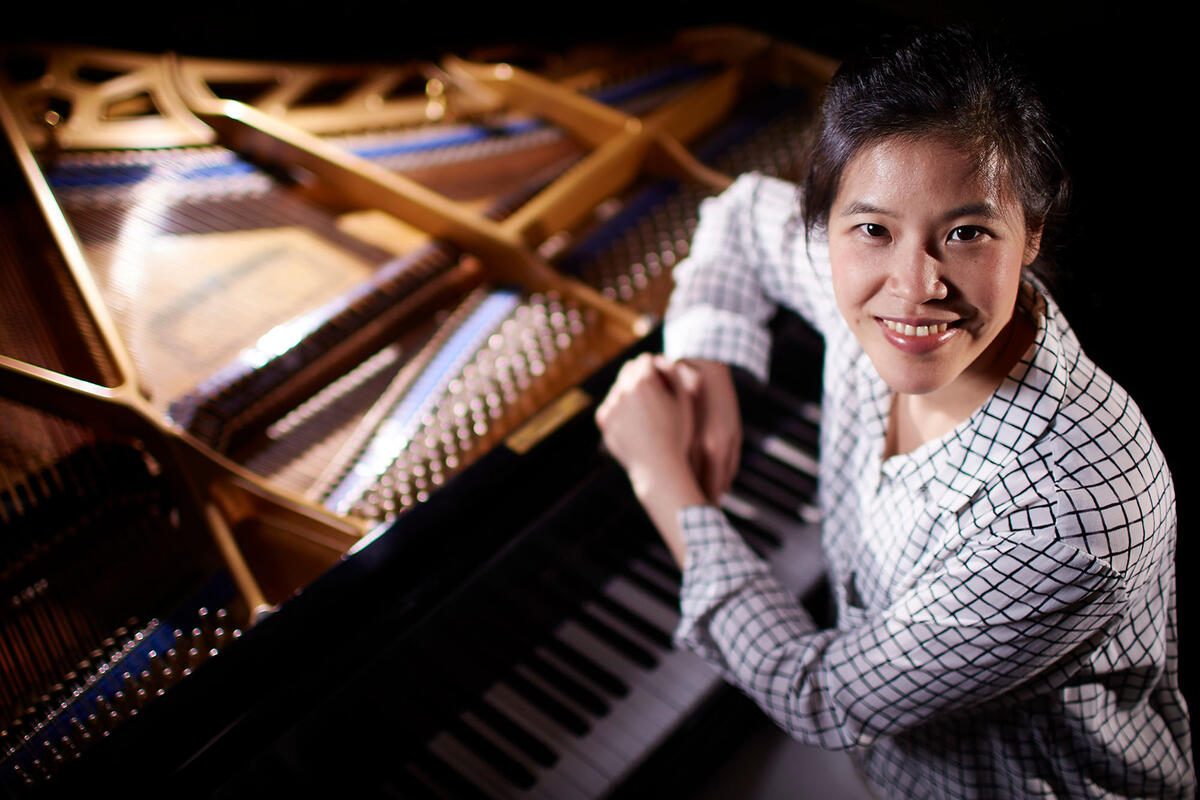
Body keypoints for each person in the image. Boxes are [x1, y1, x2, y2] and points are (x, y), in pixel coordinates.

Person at [595, 26, 1194, 799]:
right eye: (874, 229)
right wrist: (709, 365)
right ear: (831, 223)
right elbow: (742, 214)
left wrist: (662, 477)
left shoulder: (1074, 509)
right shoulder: (855, 266)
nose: (913, 288)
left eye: (968, 233)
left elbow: (818, 693)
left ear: (1032, 235)